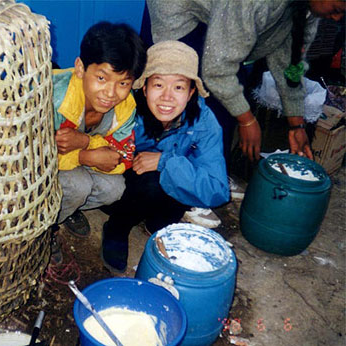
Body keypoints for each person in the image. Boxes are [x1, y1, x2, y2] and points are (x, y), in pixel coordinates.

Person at [143, 0, 345, 227]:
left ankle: (209, 174)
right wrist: (247, 120)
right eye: (337, 9)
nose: (337, 19)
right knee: (179, 92)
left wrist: (296, 124)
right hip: (178, 7)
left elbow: (289, 64)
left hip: (220, 13)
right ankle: (180, 187)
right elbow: (218, 71)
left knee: (229, 98)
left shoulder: (307, 11)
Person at [101, 40, 229, 273]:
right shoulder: (125, 107)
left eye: (178, 87)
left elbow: (217, 190)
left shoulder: (204, 123)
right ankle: (117, 227)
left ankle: (157, 225)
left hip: (168, 188)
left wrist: (165, 161)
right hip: (123, 185)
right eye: (159, 85)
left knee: (177, 174)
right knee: (148, 182)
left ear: (191, 93)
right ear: (145, 87)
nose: (167, 97)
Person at [50, 22, 146, 262]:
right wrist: (84, 156)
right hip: (40, 173)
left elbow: (121, 158)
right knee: (78, 184)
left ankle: (68, 209)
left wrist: (84, 145)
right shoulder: (52, 96)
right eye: (102, 78)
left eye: (123, 83)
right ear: (81, 68)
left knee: (115, 188)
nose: (111, 93)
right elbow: (27, 157)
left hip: (78, 159)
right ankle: (43, 229)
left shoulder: (125, 107)